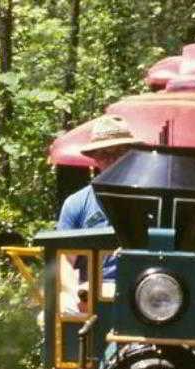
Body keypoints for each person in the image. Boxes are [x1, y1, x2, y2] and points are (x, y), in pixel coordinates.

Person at [57, 115, 141, 313]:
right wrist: (71, 294)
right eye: (104, 154)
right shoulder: (77, 203)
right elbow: (65, 260)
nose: (112, 159)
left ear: (131, 154)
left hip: (143, 290)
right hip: (92, 293)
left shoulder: (152, 199)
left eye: (119, 152)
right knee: (61, 310)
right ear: (94, 158)